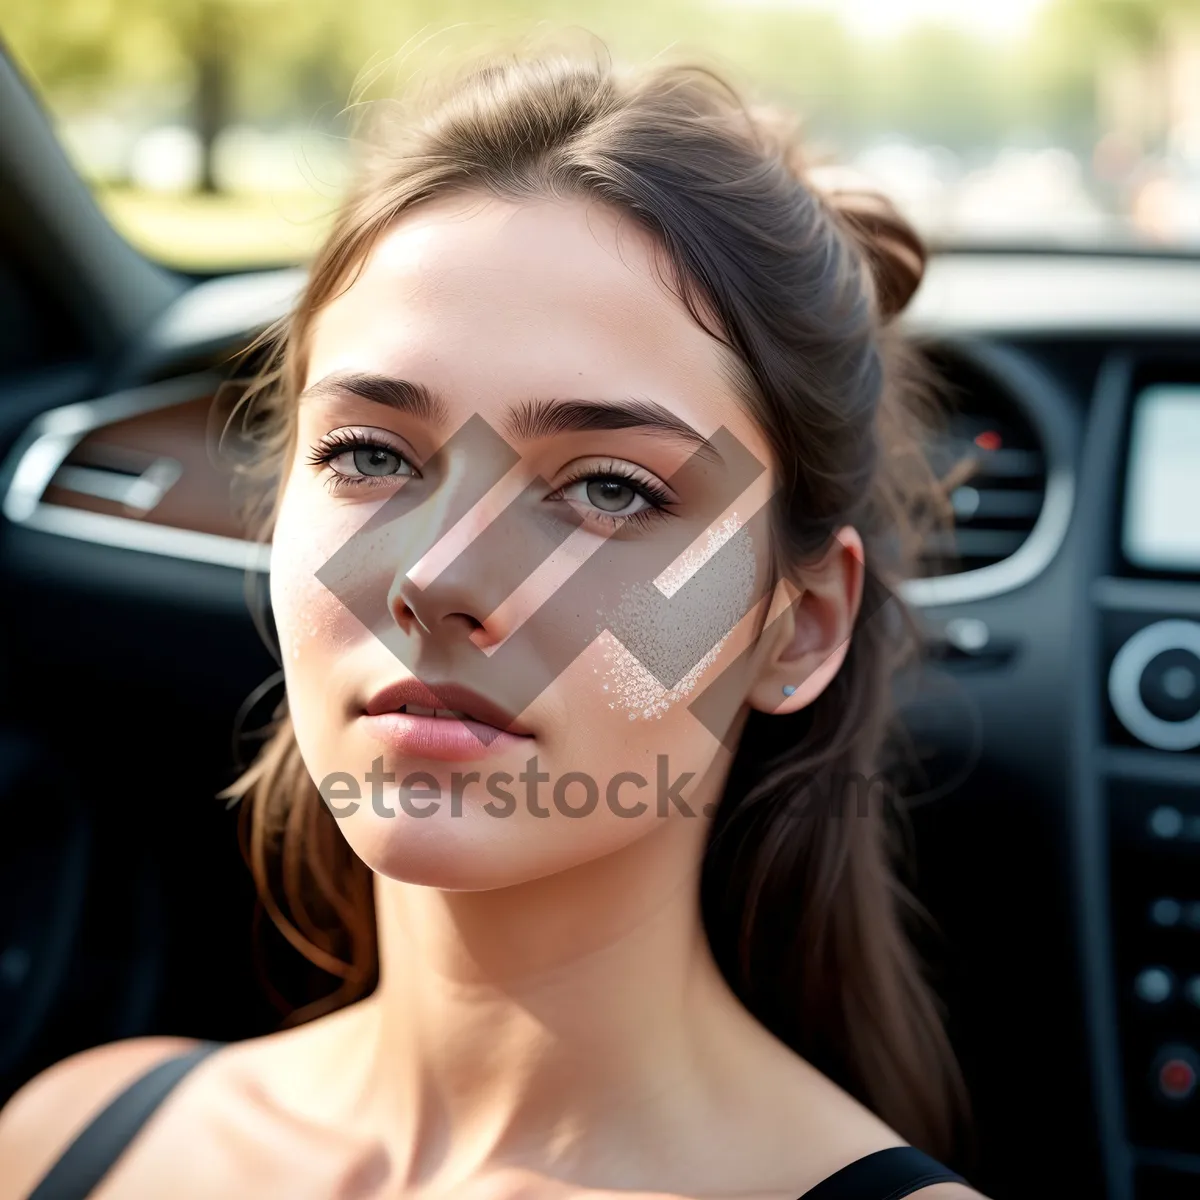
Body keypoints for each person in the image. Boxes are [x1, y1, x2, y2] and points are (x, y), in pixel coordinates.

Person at [0, 41, 987, 1200]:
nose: (435, 577)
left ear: (800, 625)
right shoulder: (63, 1135)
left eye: (611, 488)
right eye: (371, 456)